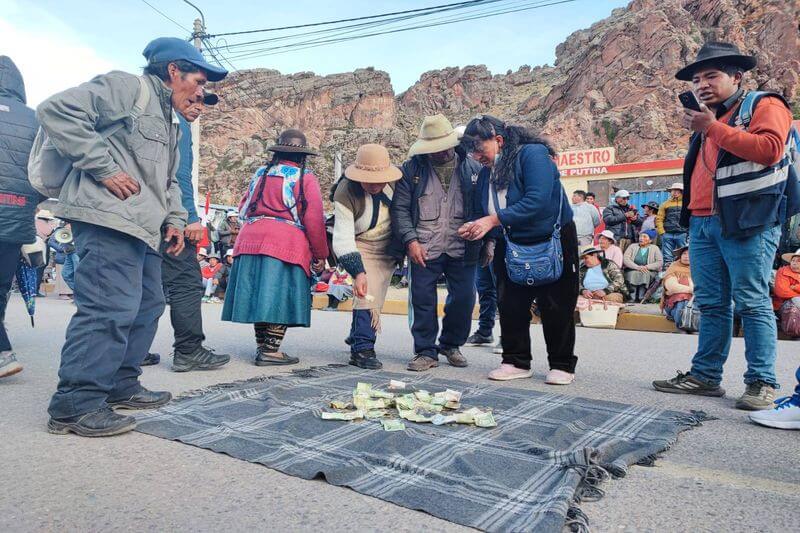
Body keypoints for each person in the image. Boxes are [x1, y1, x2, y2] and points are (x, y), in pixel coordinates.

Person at [42, 37, 227, 437]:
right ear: (173, 70)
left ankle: (121, 384)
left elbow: (169, 183)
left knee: (148, 304)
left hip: (145, 227)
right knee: (108, 308)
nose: (201, 92)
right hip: (108, 217)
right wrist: (103, 167)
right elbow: (56, 110)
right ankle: (75, 404)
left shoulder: (171, 123)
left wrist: (176, 220)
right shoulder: (128, 87)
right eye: (197, 80)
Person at [652, 42, 795, 410]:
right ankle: (705, 376)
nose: (701, 84)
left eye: (711, 76)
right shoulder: (707, 121)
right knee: (712, 303)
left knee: (752, 301)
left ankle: (761, 381)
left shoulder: (764, 105)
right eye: (697, 79)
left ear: (737, 77)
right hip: (701, 223)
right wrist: (710, 126)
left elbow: (769, 149)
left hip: (747, 222)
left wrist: (713, 127)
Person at [459, 114, 579, 385]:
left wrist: (492, 220)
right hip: (510, 242)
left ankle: (561, 364)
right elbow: (486, 208)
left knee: (556, 304)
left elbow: (536, 201)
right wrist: (477, 227)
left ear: (499, 141)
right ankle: (515, 361)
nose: (477, 157)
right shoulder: (488, 170)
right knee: (510, 303)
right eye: (472, 152)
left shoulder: (533, 155)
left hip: (553, 239)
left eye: (480, 149)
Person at [222, 129, 328, 366]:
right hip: (285, 242)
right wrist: (320, 254)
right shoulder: (305, 177)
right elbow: (313, 219)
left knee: (260, 293)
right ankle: (270, 350)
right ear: (303, 156)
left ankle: (262, 347)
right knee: (279, 293)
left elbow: (243, 207)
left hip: (250, 238)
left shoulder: (260, 173)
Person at [391, 114, 487, 372]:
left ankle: (451, 344)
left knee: (465, 297)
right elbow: (399, 209)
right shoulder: (410, 170)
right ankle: (425, 350)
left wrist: (488, 244)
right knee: (422, 299)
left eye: (442, 148)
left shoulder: (474, 169)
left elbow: (484, 209)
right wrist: (410, 241)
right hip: (423, 247)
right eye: (432, 149)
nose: (438, 154)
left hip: (462, 247)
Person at [153, 91, 230, 371]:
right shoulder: (177, 123)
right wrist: (190, 218)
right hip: (170, 218)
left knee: (144, 285)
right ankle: (189, 350)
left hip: (142, 214)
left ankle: (130, 350)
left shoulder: (147, 114)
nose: (198, 108)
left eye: (202, 104)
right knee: (186, 281)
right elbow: (179, 175)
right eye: (193, 100)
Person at [332, 143, 403, 369]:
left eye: (379, 179)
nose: (374, 185)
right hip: (360, 243)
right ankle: (362, 349)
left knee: (376, 295)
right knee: (367, 294)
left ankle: (357, 334)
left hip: (388, 246)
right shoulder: (345, 192)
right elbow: (342, 238)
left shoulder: (397, 183)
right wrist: (357, 271)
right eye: (368, 180)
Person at [0, 56, 39, 379]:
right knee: (1, 287)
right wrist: (30, 202)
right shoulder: (35, 119)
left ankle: (2, 352)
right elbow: (45, 172)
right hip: (16, 215)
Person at [623, 232, 663, 302]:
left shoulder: (655, 248)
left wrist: (647, 267)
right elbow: (626, 259)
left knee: (645, 274)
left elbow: (659, 262)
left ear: (650, 240)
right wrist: (637, 267)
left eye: (644, 237)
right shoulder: (632, 246)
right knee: (633, 274)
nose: (641, 238)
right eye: (640, 236)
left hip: (649, 271)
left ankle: (641, 297)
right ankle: (632, 297)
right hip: (632, 269)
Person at [656, 183, 688, 267]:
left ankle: (685, 271)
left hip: (683, 233)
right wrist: (662, 232)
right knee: (667, 256)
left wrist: (688, 231)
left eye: (677, 190)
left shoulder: (687, 203)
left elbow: (691, 217)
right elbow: (659, 219)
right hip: (667, 233)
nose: (674, 192)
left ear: (682, 192)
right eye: (673, 190)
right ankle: (667, 272)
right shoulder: (665, 204)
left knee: (685, 254)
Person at [660, 245, 693, 323]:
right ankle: (683, 324)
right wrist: (691, 290)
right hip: (673, 303)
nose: (686, 256)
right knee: (683, 298)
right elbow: (672, 287)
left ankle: (681, 321)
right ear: (680, 256)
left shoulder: (698, 269)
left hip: (693, 303)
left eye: (689, 254)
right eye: (684, 254)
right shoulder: (674, 267)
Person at [772, 249, 800, 335]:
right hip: (784, 304)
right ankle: (795, 333)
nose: (794, 263)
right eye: (793, 260)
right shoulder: (783, 271)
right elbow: (782, 291)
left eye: (798, 261)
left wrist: (796, 288)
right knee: (794, 302)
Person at [34, 209, 55, 296]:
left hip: (35, 248)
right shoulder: (48, 226)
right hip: (42, 248)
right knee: (39, 270)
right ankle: (35, 290)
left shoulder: (35, 224)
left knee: (35, 270)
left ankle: (32, 289)